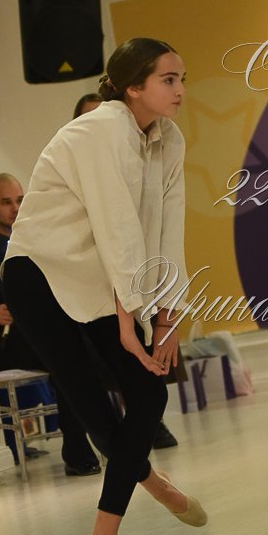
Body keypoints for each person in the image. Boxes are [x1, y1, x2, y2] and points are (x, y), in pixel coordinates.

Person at [2, 38, 206, 535]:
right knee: (90, 403)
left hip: (99, 280)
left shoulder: (168, 138)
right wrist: (130, 319)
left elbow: (166, 228)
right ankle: (115, 526)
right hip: (40, 275)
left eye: (182, 79)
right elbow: (117, 225)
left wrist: (166, 316)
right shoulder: (100, 129)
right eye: (168, 80)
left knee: (148, 391)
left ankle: (126, 506)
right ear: (133, 87)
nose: (180, 90)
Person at [72, 93, 179, 452]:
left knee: (150, 388)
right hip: (88, 293)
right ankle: (84, 450)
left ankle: (145, 438)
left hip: (130, 288)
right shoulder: (79, 164)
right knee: (81, 376)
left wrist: (166, 317)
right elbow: (113, 241)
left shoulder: (156, 151)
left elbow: (156, 238)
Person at [0, 173, 100, 474]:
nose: (15, 208)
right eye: (6, 202)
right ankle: (82, 447)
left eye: (20, 200)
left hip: (41, 334)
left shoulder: (38, 243)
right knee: (68, 355)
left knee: (74, 351)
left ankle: (89, 444)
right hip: (6, 343)